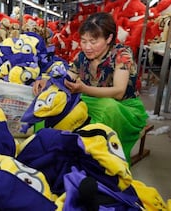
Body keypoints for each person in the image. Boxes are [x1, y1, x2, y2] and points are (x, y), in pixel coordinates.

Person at [33, 12, 148, 164]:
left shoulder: (122, 54)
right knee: (55, 103)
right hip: (92, 99)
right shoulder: (82, 57)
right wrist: (46, 81)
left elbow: (119, 92)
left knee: (107, 108)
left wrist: (83, 89)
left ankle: (97, 160)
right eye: (83, 41)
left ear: (109, 38)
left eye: (93, 42)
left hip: (123, 108)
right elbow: (68, 76)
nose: (87, 47)